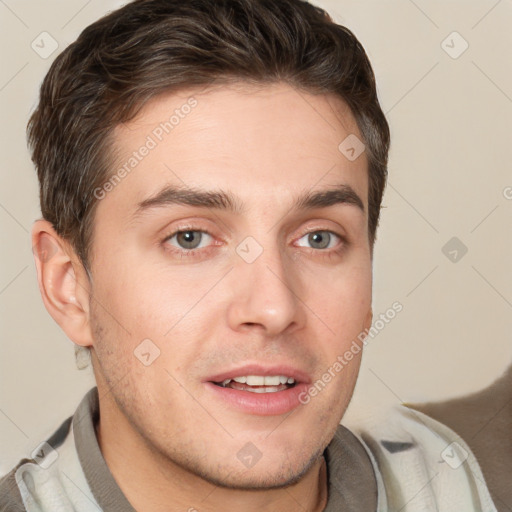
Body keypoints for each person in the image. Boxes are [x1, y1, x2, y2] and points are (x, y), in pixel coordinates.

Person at [0, 0, 498, 510]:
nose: (274, 308)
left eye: (318, 238)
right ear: (70, 286)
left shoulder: (467, 485)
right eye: (189, 237)